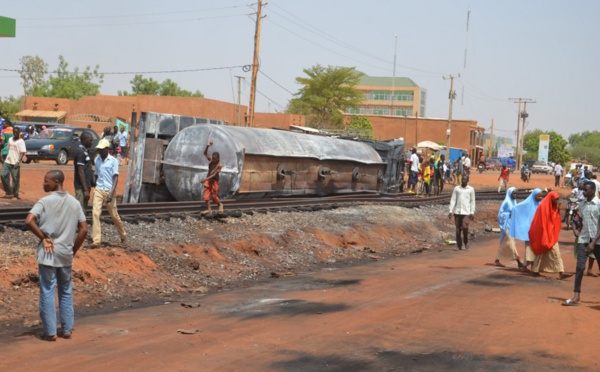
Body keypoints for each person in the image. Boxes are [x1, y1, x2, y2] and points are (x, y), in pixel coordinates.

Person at [25, 170, 87, 341]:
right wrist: (73, 249)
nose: (43, 184)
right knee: (66, 291)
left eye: (46, 181)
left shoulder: (45, 201)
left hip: (48, 254)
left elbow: (29, 220)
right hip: (66, 254)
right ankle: (67, 330)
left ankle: (50, 332)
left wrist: (44, 237)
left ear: (56, 182)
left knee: (47, 290)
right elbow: (84, 228)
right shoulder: (74, 203)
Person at [564, 182, 600, 306]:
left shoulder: (599, 204)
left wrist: (594, 242)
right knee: (580, 267)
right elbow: (576, 219)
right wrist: (575, 231)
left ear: (593, 190)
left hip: (598, 241)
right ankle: (576, 296)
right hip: (584, 240)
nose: (584, 192)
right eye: (583, 190)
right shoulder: (582, 205)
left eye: (586, 190)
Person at [91, 139, 126, 248]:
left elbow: (115, 177)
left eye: (102, 149)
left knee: (114, 215)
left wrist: (111, 193)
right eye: (99, 149)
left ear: (107, 149)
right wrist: (93, 183)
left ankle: (123, 235)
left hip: (109, 190)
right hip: (99, 189)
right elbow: (96, 174)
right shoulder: (97, 160)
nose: (100, 151)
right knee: (95, 213)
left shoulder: (113, 161)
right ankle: (96, 241)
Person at [529, 190, 572, 280]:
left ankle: (535, 270)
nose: (557, 201)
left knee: (544, 251)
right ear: (550, 199)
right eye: (555, 200)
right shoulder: (543, 207)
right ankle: (561, 272)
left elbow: (555, 220)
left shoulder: (553, 207)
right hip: (544, 233)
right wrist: (545, 233)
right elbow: (540, 222)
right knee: (551, 251)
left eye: (557, 199)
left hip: (551, 233)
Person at [509, 188, 544, 270]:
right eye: (538, 196)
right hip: (529, 229)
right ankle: (532, 266)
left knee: (535, 248)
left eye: (541, 196)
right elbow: (517, 207)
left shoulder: (540, 204)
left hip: (537, 229)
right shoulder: (528, 203)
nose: (540, 198)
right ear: (534, 196)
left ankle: (525, 266)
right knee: (529, 248)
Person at [494, 187, 523, 268]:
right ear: (510, 193)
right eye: (514, 193)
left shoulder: (514, 202)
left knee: (505, 243)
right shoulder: (506, 202)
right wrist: (508, 214)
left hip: (511, 225)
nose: (515, 195)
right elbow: (500, 214)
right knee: (511, 243)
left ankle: (497, 260)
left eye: (516, 193)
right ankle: (518, 261)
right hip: (506, 225)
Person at [448, 176, 476, 251]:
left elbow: (472, 201)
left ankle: (466, 242)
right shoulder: (457, 189)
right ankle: (459, 245)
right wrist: (451, 211)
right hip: (457, 211)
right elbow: (453, 200)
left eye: (465, 179)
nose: (463, 180)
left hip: (466, 212)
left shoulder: (470, 189)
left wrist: (472, 212)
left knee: (464, 227)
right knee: (457, 229)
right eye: (462, 179)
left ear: (467, 180)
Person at [1, 126, 27, 199]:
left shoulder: (21, 141)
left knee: (15, 179)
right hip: (8, 161)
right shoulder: (10, 139)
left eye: (16, 132)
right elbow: (9, 149)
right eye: (14, 132)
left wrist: (18, 162)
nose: (15, 133)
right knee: (2, 175)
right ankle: (9, 191)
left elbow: (22, 153)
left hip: (15, 163)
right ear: (13, 132)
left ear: (19, 133)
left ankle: (15, 194)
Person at [201, 141, 224, 215]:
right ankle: (209, 209)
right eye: (213, 158)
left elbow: (214, 175)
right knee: (206, 195)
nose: (213, 160)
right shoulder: (212, 159)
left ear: (218, 159)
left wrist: (205, 179)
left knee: (214, 196)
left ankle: (220, 204)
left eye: (215, 159)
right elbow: (205, 154)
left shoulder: (219, 165)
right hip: (209, 181)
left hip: (214, 181)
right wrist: (207, 146)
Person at [74, 131, 95, 210]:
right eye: (90, 140)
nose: (92, 142)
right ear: (84, 140)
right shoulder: (80, 152)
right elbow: (80, 171)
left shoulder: (85, 151)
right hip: (81, 187)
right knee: (80, 209)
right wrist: (85, 189)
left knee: (84, 208)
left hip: (86, 185)